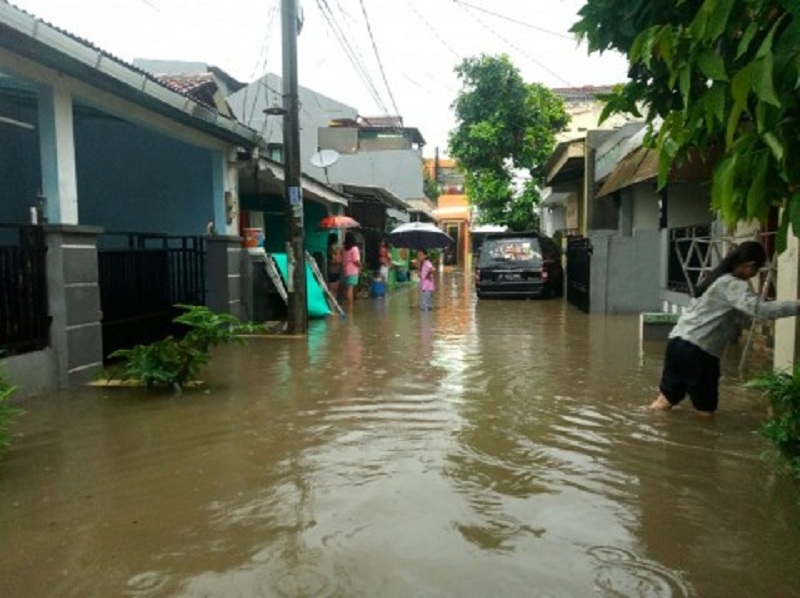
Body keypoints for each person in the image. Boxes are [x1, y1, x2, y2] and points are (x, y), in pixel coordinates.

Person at [649, 240, 800, 415]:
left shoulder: (715, 278)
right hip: (699, 351)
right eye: (756, 270)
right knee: (705, 411)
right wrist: (796, 306)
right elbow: (759, 310)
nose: (754, 274)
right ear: (749, 265)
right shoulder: (733, 284)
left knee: (665, 400)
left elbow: (740, 316)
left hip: (676, 343)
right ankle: (704, 442)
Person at [342, 231, 361, 305]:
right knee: (350, 288)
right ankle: (350, 305)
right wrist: (360, 265)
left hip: (346, 270)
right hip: (353, 270)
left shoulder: (344, 249)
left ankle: (348, 304)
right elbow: (356, 261)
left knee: (348, 288)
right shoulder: (354, 248)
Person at [326, 233, 343, 298]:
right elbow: (336, 260)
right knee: (333, 289)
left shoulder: (334, 249)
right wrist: (338, 252)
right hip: (333, 270)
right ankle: (332, 303)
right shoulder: (331, 249)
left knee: (335, 289)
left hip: (336, 270)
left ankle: (333, 303)